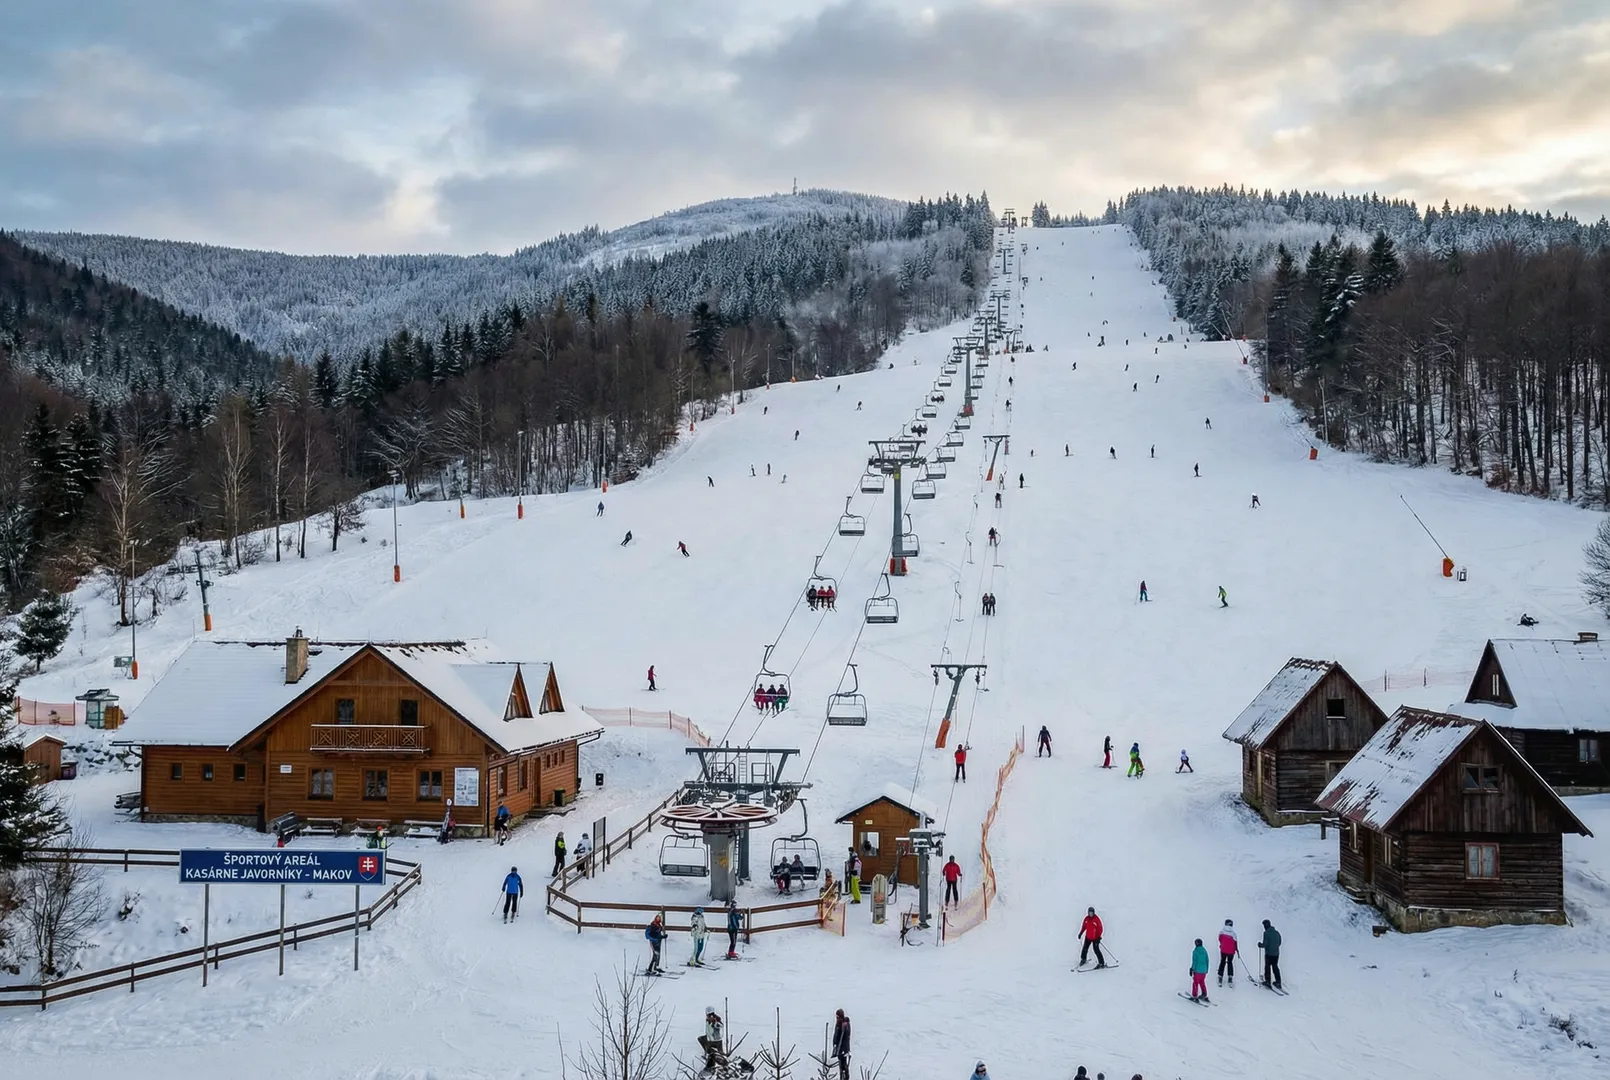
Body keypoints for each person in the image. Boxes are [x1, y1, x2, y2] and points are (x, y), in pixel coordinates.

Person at [1259, 919, 1282, 989]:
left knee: (1267, 967)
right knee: (1275, 967)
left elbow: (1265, 944)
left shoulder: (1266, 933)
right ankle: (1278, 982)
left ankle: (1268, 982)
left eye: (1264, 925)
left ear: (1266, 925)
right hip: (1276, 953)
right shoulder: (1277, 932)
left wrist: (1260, 945)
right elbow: (1280, 942)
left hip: (1269, 954)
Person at [831, 1009, 851, 1080]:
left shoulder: (844, 1025)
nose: (837, 1018)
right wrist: (835, 1045)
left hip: (843, 1048)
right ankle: (841, 1077)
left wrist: (844, 1049)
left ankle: (845, 1077)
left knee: (844, 1064)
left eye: (838, 1017)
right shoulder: (838, 1024)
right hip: (838, 1048)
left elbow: (845, 1038)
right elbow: (836, 1035)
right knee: (840, 1065)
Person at [1217, 918, 1237, 986]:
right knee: (1230, 963)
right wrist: (1236, 949)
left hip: (1223, 950)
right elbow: (1235, 943)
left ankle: (1220, 976)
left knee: (1222, 961)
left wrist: (1223, 944)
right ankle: (1230, 977)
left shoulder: (1222, 932)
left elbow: (1219, 939)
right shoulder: (1233, 934)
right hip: (1231, 951)